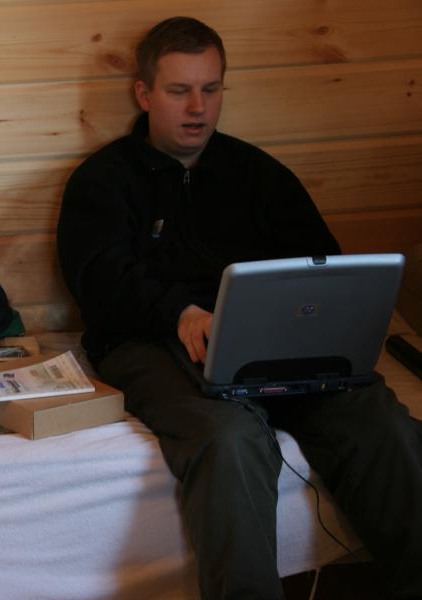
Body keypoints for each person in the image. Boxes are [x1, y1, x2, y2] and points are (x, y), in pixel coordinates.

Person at [57, 16, 422, 600]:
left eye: (211, 88)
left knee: (377, 419)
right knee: (228, 437)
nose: (198, 107)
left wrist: (320, 323)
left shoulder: (257, 174)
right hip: (149, 342)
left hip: (272, 341)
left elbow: (323, 263)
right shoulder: (103, 181)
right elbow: (100, 281)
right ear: (144, 94)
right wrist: (181, 313)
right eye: (179, 91)